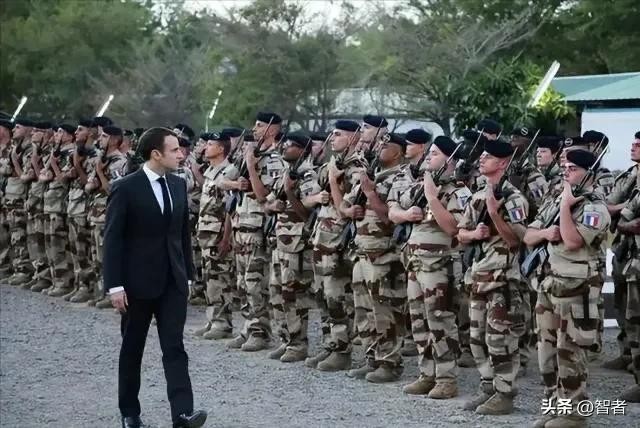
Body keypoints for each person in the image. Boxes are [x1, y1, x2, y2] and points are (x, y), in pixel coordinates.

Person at [103, 127, 207, 428]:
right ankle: (130, 413)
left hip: (172, 282)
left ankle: (183, 414)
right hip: (136, 284)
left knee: (175, 348)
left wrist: (187, 275)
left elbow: (182, 235)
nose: (182, 154)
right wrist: (115, 285)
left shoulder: (177, 184)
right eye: (175, 150)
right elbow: (113, 240)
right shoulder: (126, 187)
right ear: (156, 154)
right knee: (132, 349)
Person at [524, 149, 610, 428]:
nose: (566, 173)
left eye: (573, 169)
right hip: (549, 284)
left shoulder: (595, 208)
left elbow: (573, 241)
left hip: (578, 290)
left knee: (570, 351)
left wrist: (564, 207)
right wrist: (546, 232)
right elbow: (528, 236)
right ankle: (554, 405)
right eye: (566, 168)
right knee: (546, 352)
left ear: (589, 174)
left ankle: (574, 413)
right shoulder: (555, 199)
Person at [388, 135, 469, 398]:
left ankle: (446, 379)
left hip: (440, 266)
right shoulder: (420, 186)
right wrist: (406, 213)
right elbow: (393, 210)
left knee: (440, 321)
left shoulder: (458, 192)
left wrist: (433, 199)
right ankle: (427, 374)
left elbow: (454, 229)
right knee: (419, 321)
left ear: (449, 161)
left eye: (434, 154)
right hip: (416, 263)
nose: (428, 158)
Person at [457, 140, 528, 415]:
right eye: (482, 155)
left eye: (488, 157)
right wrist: (474, 234)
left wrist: (495, 214)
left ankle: (505, 393)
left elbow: (517, 241)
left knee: (500, 340)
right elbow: (461, 234)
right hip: (478, 276)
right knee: (477, 339)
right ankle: (488, 388)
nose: (481, 159)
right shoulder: (477, 195)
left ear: (502, 163)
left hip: (503, 279)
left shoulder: (514, 198)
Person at [341, 132, 407, 383]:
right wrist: (350, 210)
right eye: (379, 143)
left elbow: (391, 219)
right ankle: (372, 358)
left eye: (385, 145)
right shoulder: (372, 174)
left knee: (384, 311)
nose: (379, 148)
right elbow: (343, 206)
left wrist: (370, 194)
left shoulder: (401, 178)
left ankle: (389, 362)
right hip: (362, 252)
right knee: (364, 311)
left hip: (383, 254)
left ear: (398, 152)